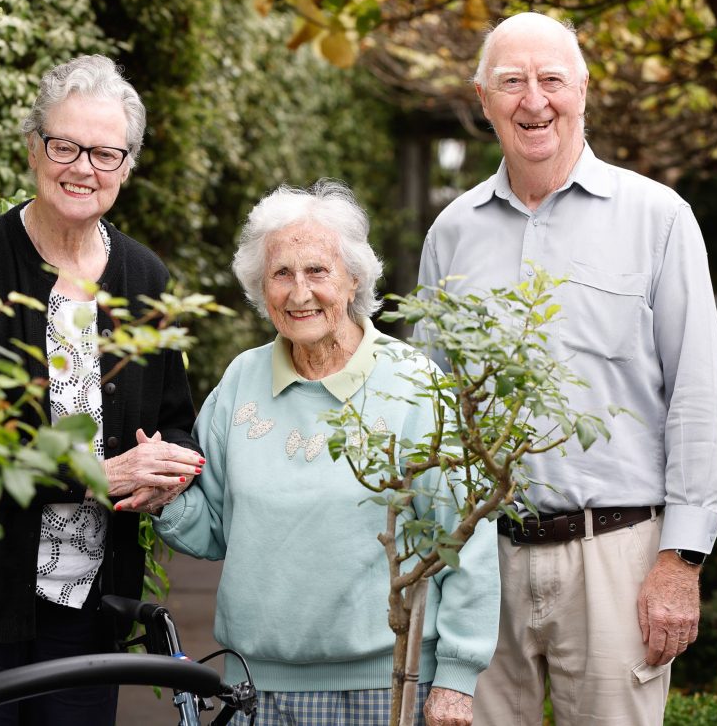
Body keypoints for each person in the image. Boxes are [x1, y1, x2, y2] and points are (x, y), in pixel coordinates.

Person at [415, 12, 717, 726]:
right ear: (481, 97)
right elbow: (429, 407)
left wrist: (680, 561)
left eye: (551, 79)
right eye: (512, 82)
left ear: (582, 89)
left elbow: (697, 397)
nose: (534, 101)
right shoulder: (451, 232)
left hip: (616, 557)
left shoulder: (659, 218)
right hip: (481, 562)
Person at [0, 55, 203, 726]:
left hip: (90, 613)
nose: (82, 167)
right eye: (64, 145)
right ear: (33, 148)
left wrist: (166, 471)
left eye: (104, 152)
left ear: (127, 165)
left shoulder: (145, 279)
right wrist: (97, 474)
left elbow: (174, 421)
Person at [154, 180, 500, 726]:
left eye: (317, 271)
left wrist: (457, 677)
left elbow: (466, 538)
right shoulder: (242, 380)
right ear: (259, 285)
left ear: (354, 277)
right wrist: (165, 497)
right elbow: (215, 530)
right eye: (281, 274)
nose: (299, 293)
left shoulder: (412, 385)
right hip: (254, 689)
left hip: (387, 686)